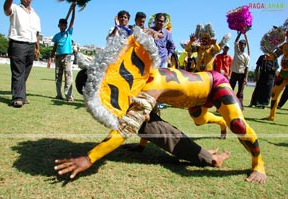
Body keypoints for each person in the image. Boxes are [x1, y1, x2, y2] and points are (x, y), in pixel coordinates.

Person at [54, 28, 266, 183]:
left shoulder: (150, 84)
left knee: (237, 125)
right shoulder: (135, 85)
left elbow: (126, 128)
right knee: (200, 120)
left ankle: (258, 164)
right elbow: (149, 121)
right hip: (194, 101)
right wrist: (141, 146)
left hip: (214, 84)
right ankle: (216, 128)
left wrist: (89, 158)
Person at [74, 69, 230, 168]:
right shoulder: (110, 88)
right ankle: (207, 156)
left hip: (143, 115)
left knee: (171, 136)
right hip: (141, 117)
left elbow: (136, 120)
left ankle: (210, 158)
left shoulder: (111, 87)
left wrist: (90, 158)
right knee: (170, 135)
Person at [4, 0, 41, 108]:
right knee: (18, 71)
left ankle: (21, 95)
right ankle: (17, 98)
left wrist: (37, 48)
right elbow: (6, 9)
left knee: (25, 71)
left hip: (31, 45)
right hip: (18, 43)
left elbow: (37, 33)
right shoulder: (15, 8)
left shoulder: (35, 15)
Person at [47, 3, 76, 102]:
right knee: (58, 76)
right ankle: (59, 95)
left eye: (65, 25)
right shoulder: (56, 36)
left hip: (67, 56)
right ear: (59, 26)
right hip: (58, 57)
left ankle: (69, 96)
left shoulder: (68, 33)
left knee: (68, 76)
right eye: (61, 25)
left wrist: (73, 10)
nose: (63, 26)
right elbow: (54, 47)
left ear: (66, 26)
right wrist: (50, 58)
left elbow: (72, 21)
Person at [263, 30, 288, 120]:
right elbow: (275, 55)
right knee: (274, 93)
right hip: (284, 73)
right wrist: (269, 57)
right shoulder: (284, 45)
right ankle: (272, 115)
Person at [229, 32, 250, 110]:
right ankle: (228, 103)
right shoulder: (236, 51)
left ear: (245, 46)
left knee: (240, 92)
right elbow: (235, 41)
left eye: (243, 45)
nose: (241, 46)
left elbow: (247, 68)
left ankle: (240, 105)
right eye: (240, 44)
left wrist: (246, 78)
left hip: (241, 75)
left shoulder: (246, 56)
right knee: (230, 89)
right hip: (234, 73)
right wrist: (240, 32)